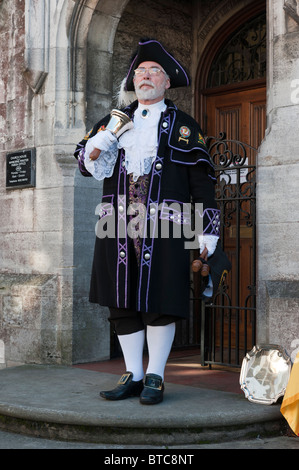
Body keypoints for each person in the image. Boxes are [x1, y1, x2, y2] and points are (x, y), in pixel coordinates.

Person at [74, 38, 220, 405]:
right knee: (121, 302)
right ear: (134, 81)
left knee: (161, 300)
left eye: (154, 71)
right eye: (141, 72)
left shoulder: (185, 126)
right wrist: (107, 137)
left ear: (167, 82)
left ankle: (155, 374)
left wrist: (208, 232)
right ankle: (133, 374)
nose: (146, 77)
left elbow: (202, 182)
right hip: (118, 226)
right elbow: (85, 163)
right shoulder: (113, 120)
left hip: (167, 227)